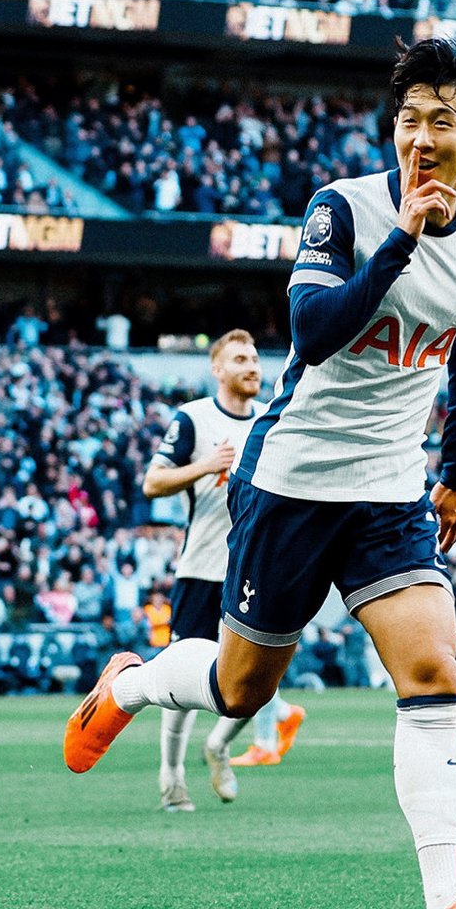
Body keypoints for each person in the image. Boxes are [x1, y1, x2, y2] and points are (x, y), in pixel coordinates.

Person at [65, 37, 456, 909]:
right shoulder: (346, 208)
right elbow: (314, 330)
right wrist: (402, 241)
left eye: (441, 121)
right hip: (290, 481)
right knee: (242, 687)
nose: (420, 137)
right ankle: (128, 683)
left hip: (391, 491)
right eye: (408, 120)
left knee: (433, 672)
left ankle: (449, 906)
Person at [141, 328, 304, 812]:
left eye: (254, 359)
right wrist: (206, 465)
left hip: (254, 569)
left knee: (257, 678)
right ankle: (171, 776)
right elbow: (153, 482)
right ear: (217, 369)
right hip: (201, 568)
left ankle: (218, 746)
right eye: (239, 359)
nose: (251, 366)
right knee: (180, 676)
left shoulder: (274, 421)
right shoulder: (193, 418)